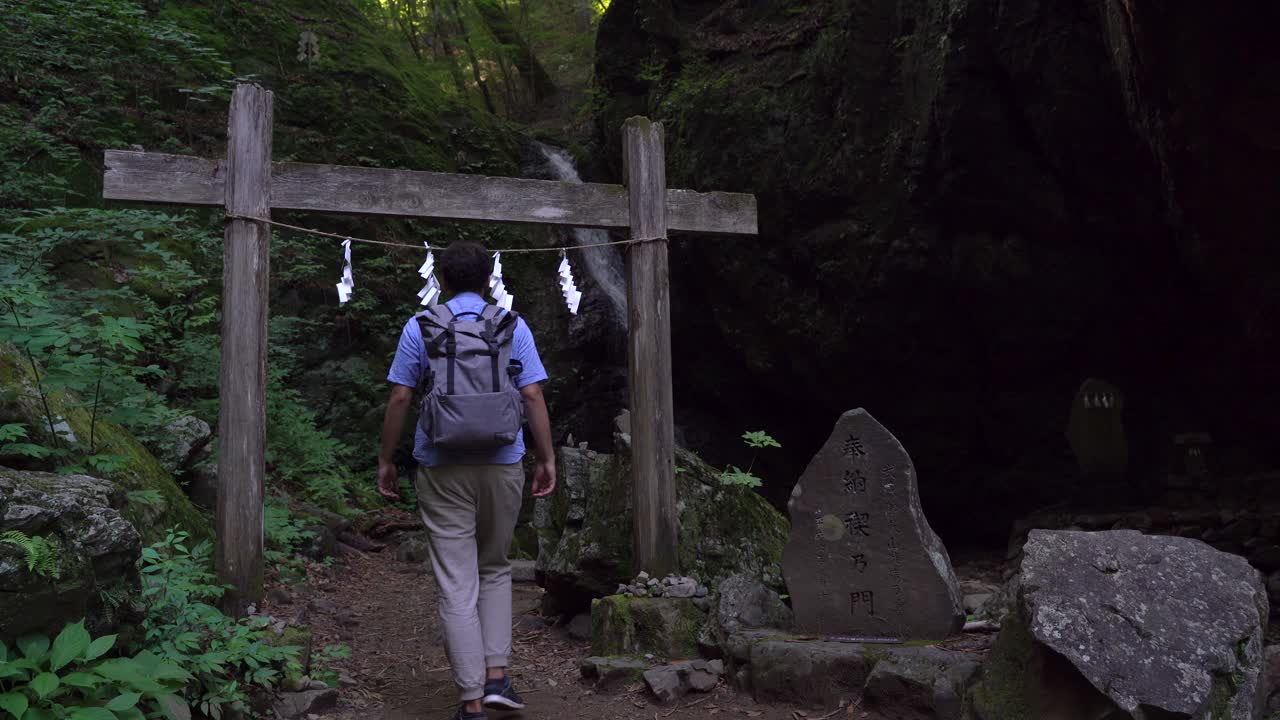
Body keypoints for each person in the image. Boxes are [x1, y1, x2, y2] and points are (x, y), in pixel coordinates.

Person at [377, 240, 557, 720]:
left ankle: (472, 699)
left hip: (440, 463)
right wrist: (546, 458)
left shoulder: (421, 326)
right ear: (486, 281)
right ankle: (498, 677)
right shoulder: (512, 325)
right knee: (495, 566)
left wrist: (386, 460)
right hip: (502, 461)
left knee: (457, 582)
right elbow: (533, 394)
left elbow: (399, 398)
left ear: (441, 280)